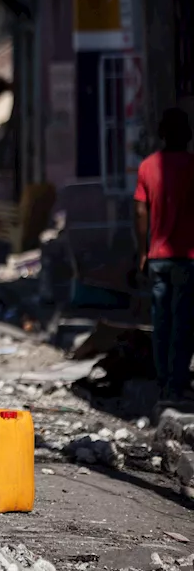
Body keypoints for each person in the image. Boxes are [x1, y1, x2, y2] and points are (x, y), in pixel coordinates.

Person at [135, 108, 194, 404]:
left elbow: (140, 210)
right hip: (187, 256)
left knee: (161, 321)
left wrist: (143, 251)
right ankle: (177, 382)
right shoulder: (191, 166)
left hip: (157, 256)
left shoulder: (147, 167)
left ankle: (163, 380)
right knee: (183, 321)